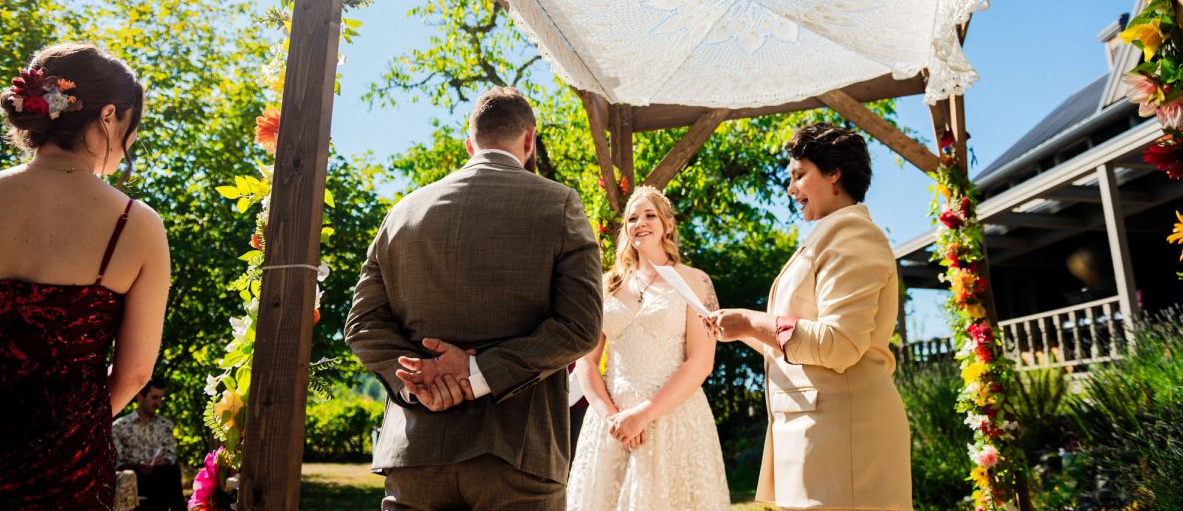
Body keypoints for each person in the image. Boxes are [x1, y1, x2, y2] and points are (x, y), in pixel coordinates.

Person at [344, 86, 604, 511]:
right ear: (529, 140)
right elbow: (580, 326)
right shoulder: (559, 204)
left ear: (470, 145)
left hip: (414, 454)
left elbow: (362, 324)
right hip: (518, 455)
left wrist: (418, 381)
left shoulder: (403, 212)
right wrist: (476, 373)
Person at [0, 43, 170, 510]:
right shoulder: (137, 224)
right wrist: (68, 425)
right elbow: (134, 372)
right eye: (131, 127)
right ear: (109, 115)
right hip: (67, 469)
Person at [708, 123, 911, 510]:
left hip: (846, 441)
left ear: (834, 174)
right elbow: (797, 347)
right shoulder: (825, 236)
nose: (790, 189)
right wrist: (737, 331)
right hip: (817, 438)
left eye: (799, 175)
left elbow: (840, 345)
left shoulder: (853, 234)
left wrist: (751, 321)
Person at [566, 185, 729, 511]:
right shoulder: (605, 284)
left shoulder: (696, 281)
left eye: (650, 215)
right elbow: (586, 362)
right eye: (632, 218)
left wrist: (642, 416)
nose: (640, 223)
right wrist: (614, 420)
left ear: (668, 224)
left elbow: (700, 362)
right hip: (611, 424)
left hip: (672, 418)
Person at [112, 378, 187, 511]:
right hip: (133, 476)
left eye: (160, 398)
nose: (158, 403)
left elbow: (170, 455)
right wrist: (137, 465)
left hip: (159, 475)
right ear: (140, 396)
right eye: (154, 397)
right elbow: (117, 461)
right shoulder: (120, 426)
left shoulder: (165, 425)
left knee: (172, 470)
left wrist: (161, 461)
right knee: (129, 475)